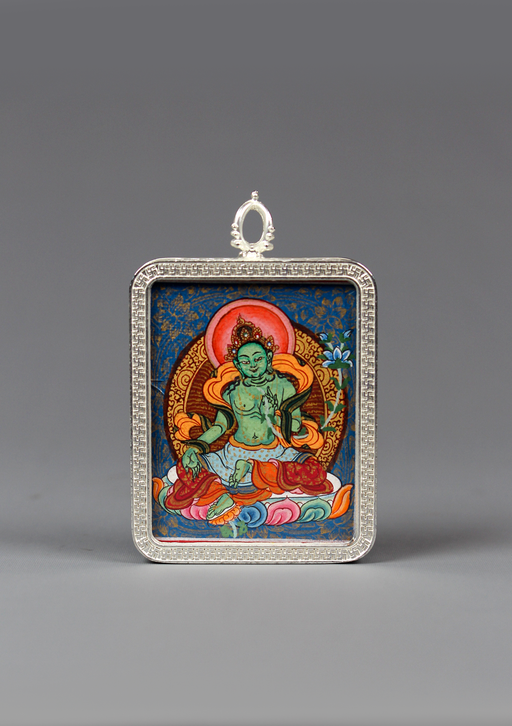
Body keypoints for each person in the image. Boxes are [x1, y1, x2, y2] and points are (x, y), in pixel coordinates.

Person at [161, 317, 333, 524]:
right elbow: (220, 426)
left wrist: (276, 416)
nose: (252, 365)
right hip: (233, 453)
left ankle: (251, 470)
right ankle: (221, 495)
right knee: (187, 464)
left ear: (268, 357)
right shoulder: (232, 392)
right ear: (237, 365)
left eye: (258, 359)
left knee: (315, 471)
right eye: (245, 361)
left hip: (273, 453)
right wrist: (195, 447)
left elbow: (296, 426)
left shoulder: (284, 387)